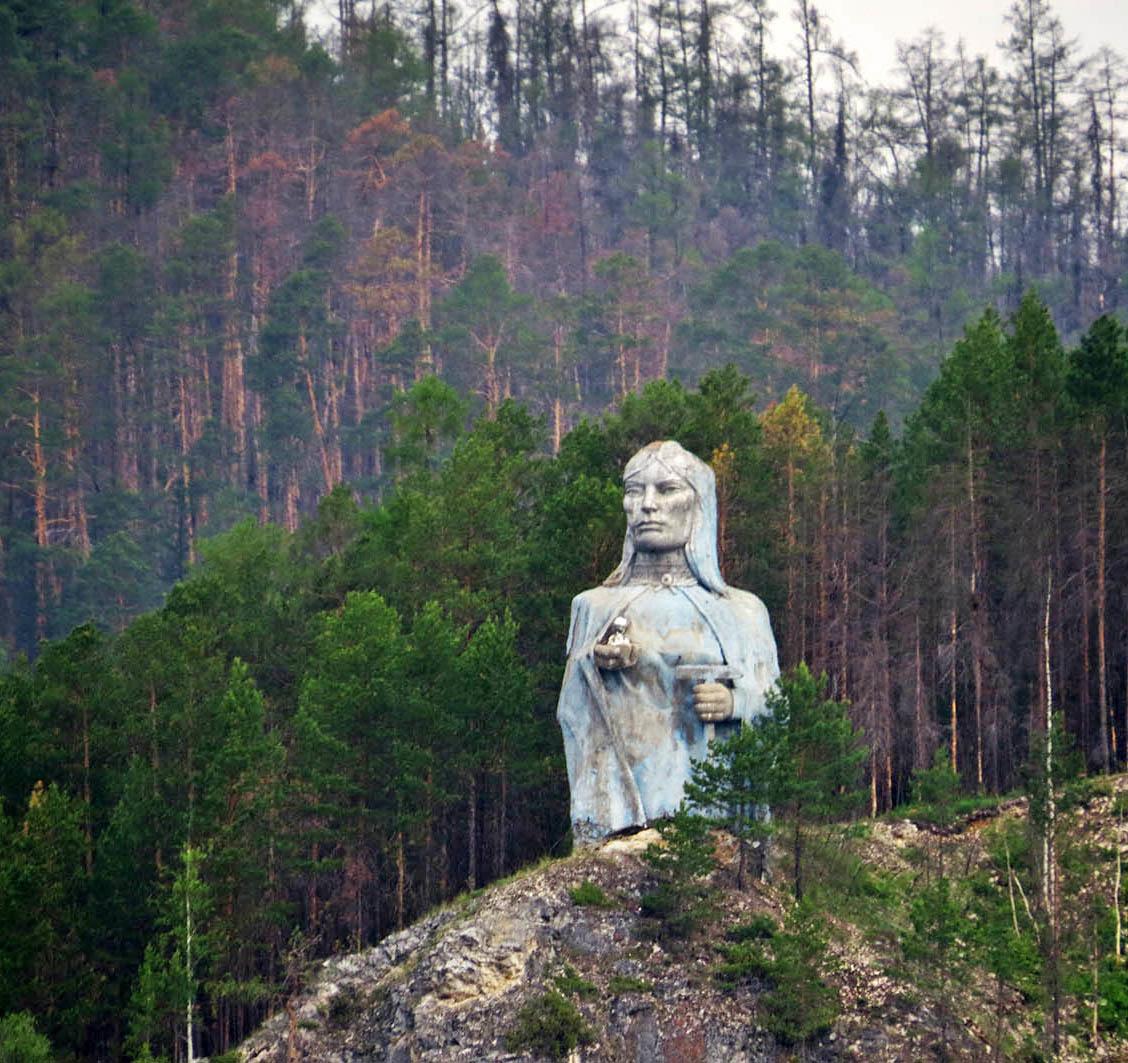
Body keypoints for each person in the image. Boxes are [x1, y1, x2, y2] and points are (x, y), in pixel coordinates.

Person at [557, 440, 780, 845]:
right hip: (621, 820)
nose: (646, 504)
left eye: (666, 489)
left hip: (713, 823)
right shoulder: (593, 606)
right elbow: (571, 714)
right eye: (634, 490)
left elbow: (778, 706)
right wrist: (594, 665)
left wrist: (736, 703)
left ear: (699, 504)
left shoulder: (742, 612)